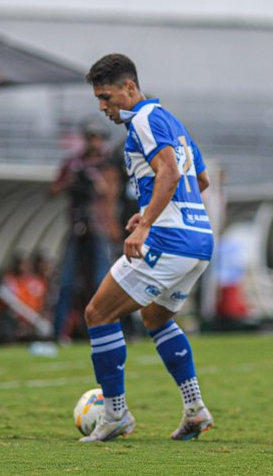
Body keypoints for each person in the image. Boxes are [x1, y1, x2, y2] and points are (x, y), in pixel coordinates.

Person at [79, 53, 215, 443]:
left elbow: (170, 173)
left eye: (106, 97)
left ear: (130, 88)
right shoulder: (172, 122)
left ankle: (115, 414)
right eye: (98, 100)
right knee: (155, 318)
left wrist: (148, 224)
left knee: (98, 314)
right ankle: (194, 409)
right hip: (199, 240)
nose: (103, 107)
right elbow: (199, 179)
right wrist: (151, 212)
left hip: (169, 241)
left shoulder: (141, 120)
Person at [50, 123, 122, 341]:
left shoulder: (108, 165)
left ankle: (103, 330)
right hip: (76, 226)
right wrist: (72, 181)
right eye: (90, 137)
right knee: (67, 281)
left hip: (99, 227)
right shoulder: (73, 163)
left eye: (97, 137)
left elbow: (111, 196)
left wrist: (97, 182)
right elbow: (53, 190)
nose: (94, 142)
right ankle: (59, 333)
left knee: (101, 280)